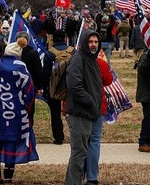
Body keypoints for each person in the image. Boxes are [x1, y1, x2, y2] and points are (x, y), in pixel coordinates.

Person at [0, 38, 38, 184]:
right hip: (15, 115)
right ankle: (8, 178)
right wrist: (26, 109)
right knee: (11, 144)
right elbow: (30, 92)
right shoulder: (22, 69)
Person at [64, 31, 113, 185]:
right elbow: (74, 85)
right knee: (79, 153)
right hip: (80, 113)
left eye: (96, 42)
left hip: (91, 112)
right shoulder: (78, 58)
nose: (93, 44)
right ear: (85, 43)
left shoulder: (93, 60)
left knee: (82, 150)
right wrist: (91, 101)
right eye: (90, 41)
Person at [47, 29, 74, 145]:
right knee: (74, 112)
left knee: (55, 112)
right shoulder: (73, 51)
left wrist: (46, 87)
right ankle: (75, 135)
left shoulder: (50, 53)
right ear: (64, 38)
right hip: (71, 85)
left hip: (55, 86)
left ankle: (58, 137)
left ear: (53, 39)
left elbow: (46, 72)